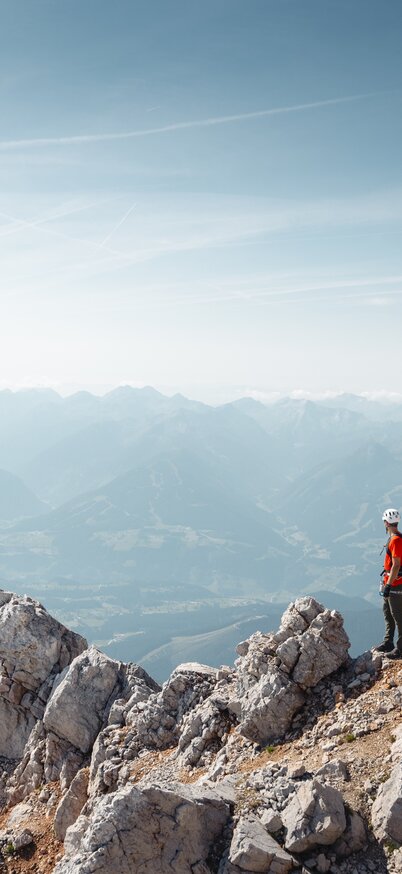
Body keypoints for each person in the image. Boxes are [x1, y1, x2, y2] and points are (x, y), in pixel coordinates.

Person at [375, 508, 402, 659]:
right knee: (388, 613)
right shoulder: (394, 538)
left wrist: (389, 585)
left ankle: (400, 649)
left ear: (386, 523)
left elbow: (396, 565)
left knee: (398, 616)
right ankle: (388, 642)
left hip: (396, 584)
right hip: (390, 582)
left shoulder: (396, 540)